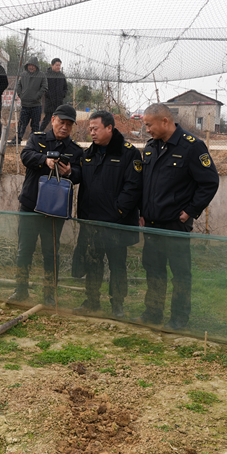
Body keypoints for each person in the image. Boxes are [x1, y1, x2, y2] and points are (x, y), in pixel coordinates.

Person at [136, 104, 219, 331]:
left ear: (164, 121)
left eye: (149, 125)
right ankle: (152, 313)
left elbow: (210, 182)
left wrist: (191, 210)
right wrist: (143, 212)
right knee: (154, 271)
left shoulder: (192, 147)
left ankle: (179, 319)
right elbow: (146, 184)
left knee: (180, 274)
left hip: (175, 224)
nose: (147, 130)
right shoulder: (151, 147)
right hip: (152, 224)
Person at [8, 104, 83, 305]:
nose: (64, 127)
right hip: (30, 205)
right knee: (24, 250)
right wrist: (45, 161)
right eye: (61, 122)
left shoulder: (75, 150)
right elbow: (25, 156)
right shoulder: (37, 139)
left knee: (51, 253)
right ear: (53, 120)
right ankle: (21, 290)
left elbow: (80, 175)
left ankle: (50, 295)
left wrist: (70, 173)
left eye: (69, 124)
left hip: (55, 210)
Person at [73, 111, 142, 318]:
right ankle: (92, 301)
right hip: (92, 223)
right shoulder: (88, 154)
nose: (91, 132)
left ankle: (117, 305)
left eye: (95, 128)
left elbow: (133, 187)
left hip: (116, 224)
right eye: (90, 129)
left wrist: (117, 211)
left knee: (117, 266)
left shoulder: (129, 153)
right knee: (92, 263)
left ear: (109, 128)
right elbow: (85, 186)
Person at [7, 56, 47, 145]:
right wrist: (21, 95)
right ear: (27, 66)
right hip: (25, 105)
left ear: (36, 66)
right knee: (21, 124)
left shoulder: (41, 75)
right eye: (29, 65)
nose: (31, 67)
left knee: (35, 126)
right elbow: (18, 85)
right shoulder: (24, 74)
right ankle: (17, 140)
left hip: (36, 106)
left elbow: (44, 87)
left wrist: (37, 96)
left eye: (33, 65)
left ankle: (34, 143)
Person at [41, 58, 67, 132]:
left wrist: (63, 95)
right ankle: (38, 133)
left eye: (59, 65)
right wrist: (48, 95)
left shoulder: (62, 76)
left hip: (59, 103)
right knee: (47, 119)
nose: (58, 67)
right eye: (57, 65)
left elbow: (65, 87)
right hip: (49, 102)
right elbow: (44, 87)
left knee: (58, 121)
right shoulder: (46, 75)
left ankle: (55, 135)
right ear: (52, 65)